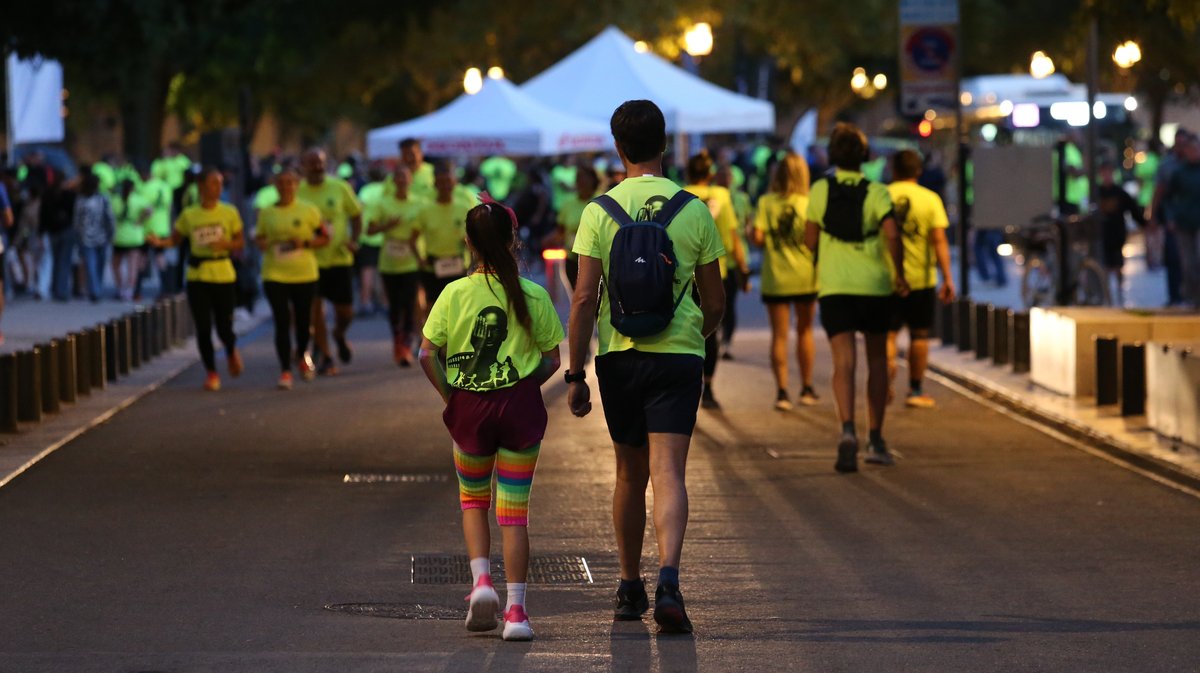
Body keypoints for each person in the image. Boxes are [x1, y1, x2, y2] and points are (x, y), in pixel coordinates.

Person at [567, 99, 725, 634]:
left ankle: (629, 585)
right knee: (670, 473)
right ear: (663, 144)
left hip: (619, 357)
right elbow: (716, 300)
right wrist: (692, 340)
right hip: (678, 356)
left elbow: (584, 298)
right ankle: (670, 581)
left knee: (629, 474)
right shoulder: (694, 209)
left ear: (618, 148)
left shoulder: (597, 212)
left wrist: (575, 372)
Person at [419, 197, 563, 642]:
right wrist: (521, 390)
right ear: (513, 240)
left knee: (473, 501)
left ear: (468, 242)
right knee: (514, 514)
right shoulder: (534, 293)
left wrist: (452, 396)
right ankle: (517, 612)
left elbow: (426, 354)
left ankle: (481, 582)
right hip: (519, 410)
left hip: (468, 411)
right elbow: (553, 360)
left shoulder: (453, 293)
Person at [803, 122, 907, 472]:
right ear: (864, 155)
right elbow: (892, 235)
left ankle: (847, 430)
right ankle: (875, 437)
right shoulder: (878, 192)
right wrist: (900, 273)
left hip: (835, 286)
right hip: (875, 285)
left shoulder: (819, 190)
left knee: (843, 361)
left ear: (832, 155)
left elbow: (809, 239)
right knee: (877, 359)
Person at [150, 167, 245, 391]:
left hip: (223, 274)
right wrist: (159, 242)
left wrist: (226, 245)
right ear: (201, 187)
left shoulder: (229, 212)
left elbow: (240, 242)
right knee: (203, 327)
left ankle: (231, 350)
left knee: (224, 327)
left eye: (220, 183)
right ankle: (211, 372)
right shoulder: (189, 214)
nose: (218, 188)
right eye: (214, 183)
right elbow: (175, 239)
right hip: (197, 276)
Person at [885, 149, 955, 408]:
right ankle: (915, 390)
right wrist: (947, 277)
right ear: (918, 171)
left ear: (893, 170)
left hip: (886, 279)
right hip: (921, 279)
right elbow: (939, 240)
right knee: (919, 335)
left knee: (887, 336)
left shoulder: (880, 197)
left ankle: (885, 380)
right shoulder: (930, 199)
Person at [753, 152, 820, 410]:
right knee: (805, 331)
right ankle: (806, 387)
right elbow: (813, 241)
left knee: (778, 336)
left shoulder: (766, 202)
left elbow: (758, 238)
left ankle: (782, 392)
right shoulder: (809, 203)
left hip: (776, 277)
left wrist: (755, 234)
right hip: (805, 276)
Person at [683, 150, 748, 409]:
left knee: (685, 329)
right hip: (716, 271)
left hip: (686, 273)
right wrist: (742, 267)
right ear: (710, 173)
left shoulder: (679, 194)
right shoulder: (722, 195)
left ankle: (689, 383)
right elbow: (732, 235)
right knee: (711, 332)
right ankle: (708, 387)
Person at [255, 167, 327, 389]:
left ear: (297, 185)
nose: (286, 187)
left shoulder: (309, 210)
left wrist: (304, 243)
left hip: (304, 273)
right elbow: (259, 239)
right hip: (275, 274)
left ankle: (302, 354)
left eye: (290, 183)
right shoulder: (267, 212)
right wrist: (263, 244)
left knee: (304, 321)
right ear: (275, 186)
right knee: (282, 321)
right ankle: (285, 370)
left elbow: (325, 237)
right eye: (281, 183)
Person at [298, 148, 363, 376]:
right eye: (312, 163)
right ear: (303, 166)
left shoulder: (339, 187)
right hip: (310, 261)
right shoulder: (298, 191)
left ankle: (339, 334)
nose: (317, 167)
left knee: (346, 312)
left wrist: (354, 240)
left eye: (321, 163)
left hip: (339, 258)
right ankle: (326, 356)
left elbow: (356, 214)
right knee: (316, 311)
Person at [368, 165, 427, 366]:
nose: (402, 181)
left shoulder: (419, 204)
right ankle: (397, 340)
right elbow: (370, 230)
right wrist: (388, 226)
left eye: (405, 177)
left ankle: (406, 345)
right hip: (389, 261)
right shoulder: (383, 203)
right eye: (398, 177)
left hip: (411, 260)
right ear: (393, 181)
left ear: (410, 181)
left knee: (410, 303)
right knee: (394, 305)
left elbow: (426, 228)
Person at [415, 162, 472, 307]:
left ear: (454, 183)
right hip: (432, 266)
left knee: (458, 306)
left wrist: (473, 262)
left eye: (448, 182)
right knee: (432, 307)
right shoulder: (426, 210)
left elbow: (473, 238)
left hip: (458, 265)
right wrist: (419, 259)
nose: (445, 186)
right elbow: (413, 238)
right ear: (435, 184)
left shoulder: (464, 207)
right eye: (441, 182)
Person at [714, 163, 753, 360]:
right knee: (726, 303)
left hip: (727, 258)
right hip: (728, 257)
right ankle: (723, 341)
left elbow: (747, 227)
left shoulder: (716, 198)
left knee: (725, 303)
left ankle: (724, 340)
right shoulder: (738, 198)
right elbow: (747, 227)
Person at [1096, 160, 1145, 307]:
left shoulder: (1120, 193)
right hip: (1102, 235)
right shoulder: (1097, 192)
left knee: (1117, 264)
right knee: (1104, 264)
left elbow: (1133, 209)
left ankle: (1118, 291)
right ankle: (1106, 294)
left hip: (1117, 234)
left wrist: (1145, 224)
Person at [1160, 134, 1200, 307]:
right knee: (1187, 263)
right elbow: (1167, 196)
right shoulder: (1179, 172)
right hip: (1184, 222)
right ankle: (1192, 297)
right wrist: (1170, 217)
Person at [550, 165, 599, 289]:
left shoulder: (602, 201)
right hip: (572, 258)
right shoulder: (568, 203)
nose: (580, 181)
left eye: (583, 177)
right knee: (576, 294)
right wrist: (549, 240)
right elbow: (560, 230)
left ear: (593, 180)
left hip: (596, 258)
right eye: (577, 178)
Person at [72, 168, 115, 303]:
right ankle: (95, 290)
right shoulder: (101, 199)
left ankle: (95, 288)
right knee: (95, 264)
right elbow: (110, 217)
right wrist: (111, 232)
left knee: (94, 264)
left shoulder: (84, 200)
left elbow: (77, 219)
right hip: (98, 236)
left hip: (90, 236)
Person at [355, 163, 389, 316]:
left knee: (367, 271)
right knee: (383, 272)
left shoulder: (365, 191)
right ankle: (384, 302)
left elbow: (358, 210)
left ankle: (365, 301)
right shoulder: (386, 190)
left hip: (367, 236)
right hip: (384, 236)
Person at [111, 179, 148, 302]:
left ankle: (120, 288)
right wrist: (140, 220)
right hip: (134, 235)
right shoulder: (137, 199)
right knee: (133, 266)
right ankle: (129, 291)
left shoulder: (116, 200)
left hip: (119, 236)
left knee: (116, 264)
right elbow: (149, 210)